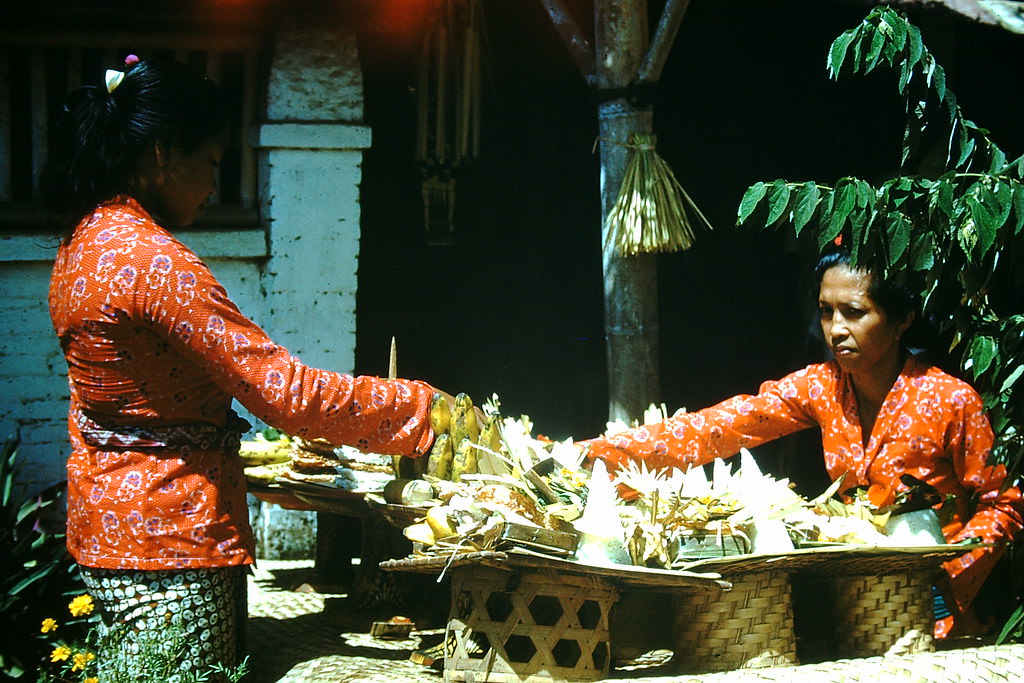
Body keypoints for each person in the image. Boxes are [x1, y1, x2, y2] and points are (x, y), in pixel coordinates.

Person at [42, 56, 454, 678]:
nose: (214, 184)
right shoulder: (155, 264)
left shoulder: (81, 244)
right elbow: (280, 392)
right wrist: (415, 407)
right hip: (173, 535)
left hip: (109, 526)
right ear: (161, 152)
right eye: (210, 162)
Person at [585, 245, 1024, 639]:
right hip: (859, 598)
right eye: (826, 311)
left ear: (902, 320)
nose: (835, 329)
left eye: (854, 312)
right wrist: (600, 454)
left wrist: (947, 578)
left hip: (942, 609)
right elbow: (725, 424)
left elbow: (1005, 503)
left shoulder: (950, 400)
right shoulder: (821, 387)